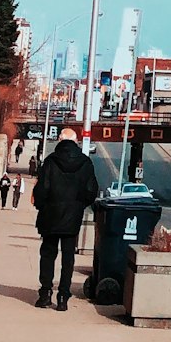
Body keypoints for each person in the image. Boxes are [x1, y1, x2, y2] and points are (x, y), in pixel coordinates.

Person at [32, 123, 99, 311]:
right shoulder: (85, 163)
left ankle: (45, 293)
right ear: (76, 141)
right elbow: (91, 191)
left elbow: (42, 189)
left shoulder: (51, 161)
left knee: (47, 254)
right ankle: (63, 297)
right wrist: (78, 205)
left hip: (50, 215)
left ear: (59, 140)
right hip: (72, 216)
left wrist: (42, 205)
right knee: (68, 257)